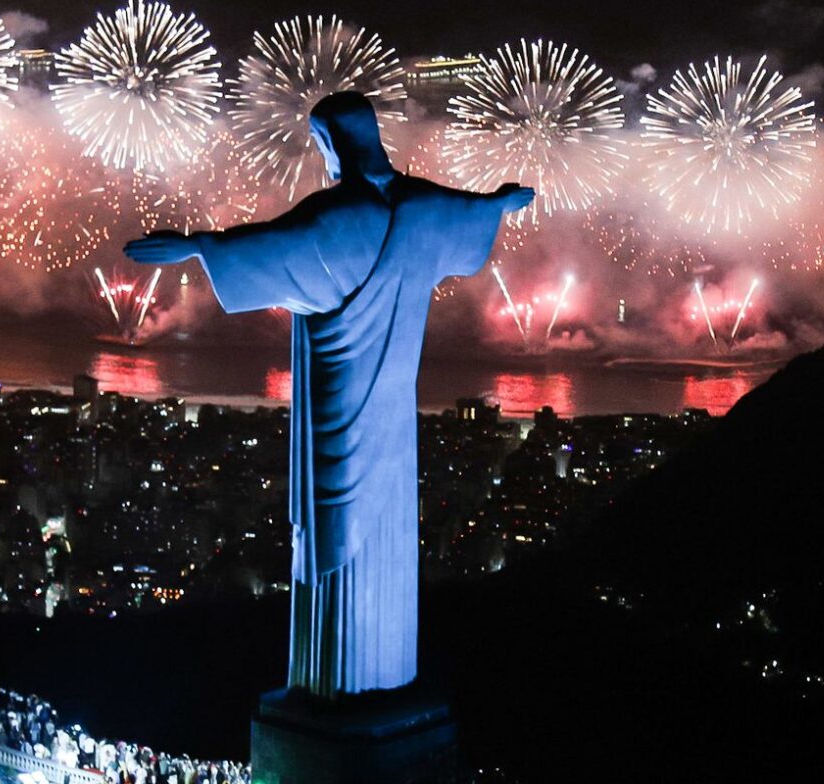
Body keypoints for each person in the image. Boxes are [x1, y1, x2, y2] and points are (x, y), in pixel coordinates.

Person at [126, 91, 533, 698]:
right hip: (396, 422)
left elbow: (268, 249)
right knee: (387, 539)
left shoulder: (337, 220)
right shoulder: (423, 208)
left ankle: (335, 689)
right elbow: (472, 214)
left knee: (333, 540)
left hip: (337, 407)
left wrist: (197, 245)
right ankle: (387, 677)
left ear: (331, 142)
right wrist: (500, 203)